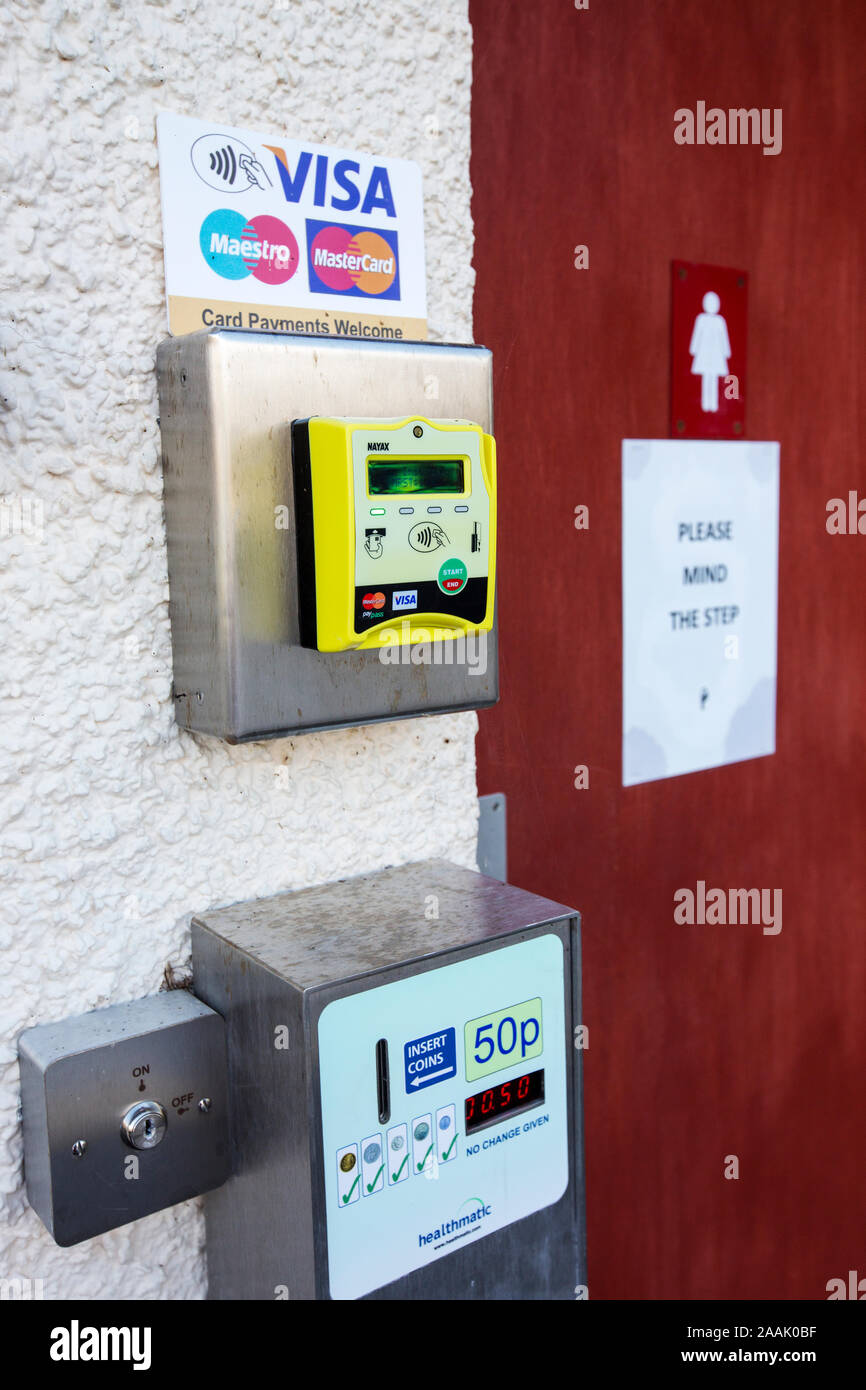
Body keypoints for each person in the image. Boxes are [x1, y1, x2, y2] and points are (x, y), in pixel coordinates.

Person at [689, 291, 731, 412]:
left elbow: (724, 337)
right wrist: (693, 349)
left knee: (713, 380)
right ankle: (705, 404)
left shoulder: (720, 321)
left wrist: (726, 351)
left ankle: (713, 405)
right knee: (706, 379)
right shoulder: (701, 319)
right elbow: (697, 335)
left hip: (716, 355)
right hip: (704, 354)